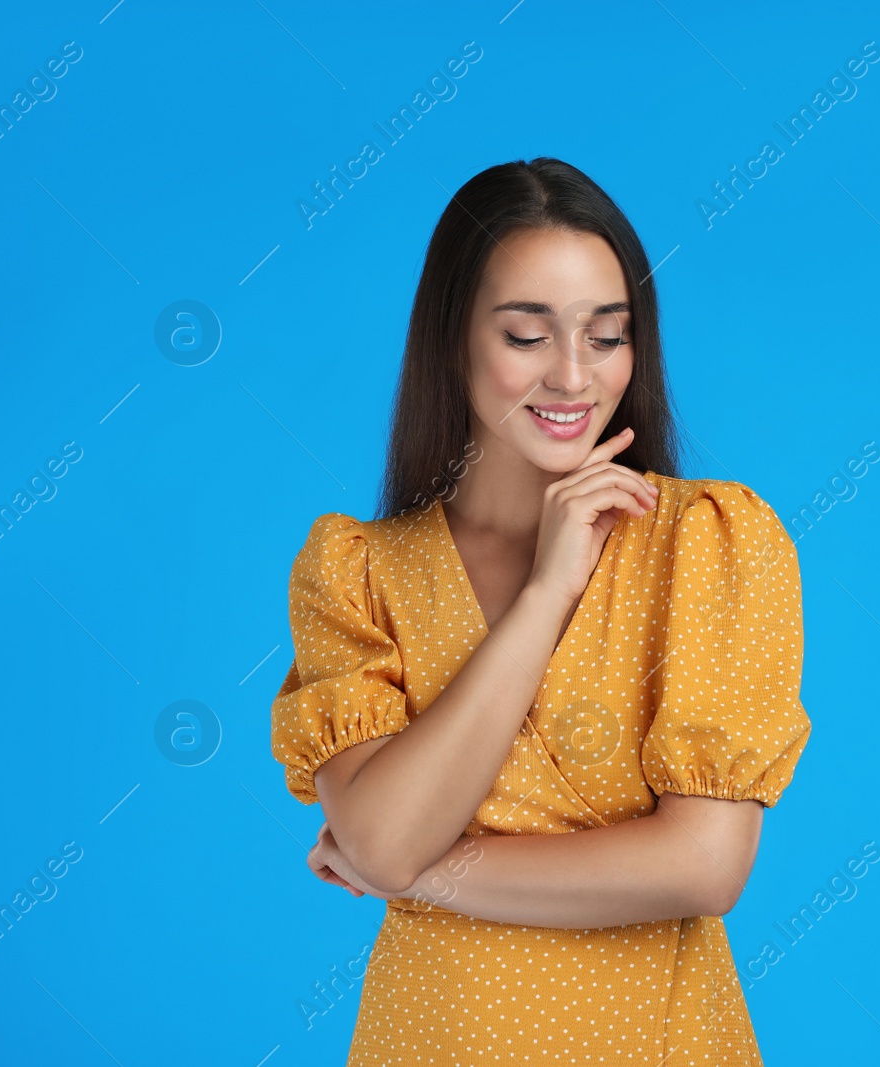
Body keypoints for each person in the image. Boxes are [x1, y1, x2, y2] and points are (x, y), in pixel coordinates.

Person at [269, 157, 812, 1064]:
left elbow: (703, 866)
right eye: (527, 335)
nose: (572, 376)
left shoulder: (709, 542)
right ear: (451, 339)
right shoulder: (357, 570)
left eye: (608, 336)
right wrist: (545, 593)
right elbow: (381, 837)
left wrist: (411, 866)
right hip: (430, 1036)